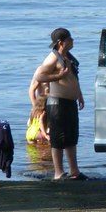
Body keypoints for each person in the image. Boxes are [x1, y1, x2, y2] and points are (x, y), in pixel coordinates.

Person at [33, 27, 86, 180]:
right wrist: (58, 76)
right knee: (58, 138)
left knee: (71, 137)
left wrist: (79, 95)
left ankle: (74, 171)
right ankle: (58, 172)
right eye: (70, 39)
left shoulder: (67, 56)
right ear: (61, 42)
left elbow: (73, 78)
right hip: (57, 103)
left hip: (70, 102)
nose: (73, 40)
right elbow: (39, 75)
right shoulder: (52, 58)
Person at [25, 77, 50, 145]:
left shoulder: (33, 112)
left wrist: (36, 108)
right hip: (37, 134)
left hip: (29, 134)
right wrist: (45, 135)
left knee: (32, 153)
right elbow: (41, 122)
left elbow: (28, 124)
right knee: (50, 140)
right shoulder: (41, 75)